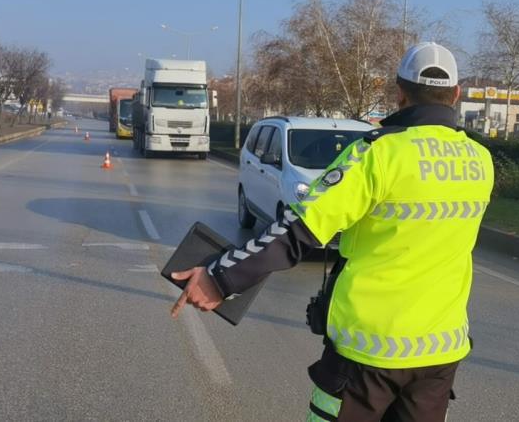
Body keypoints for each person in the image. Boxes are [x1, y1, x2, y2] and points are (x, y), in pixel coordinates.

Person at [171, 42, 495, 422]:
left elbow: (299, 230)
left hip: (366, 353)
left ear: (399, 92)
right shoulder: (480, 160)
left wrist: (220, 277)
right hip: (440, 353)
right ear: (455, 95)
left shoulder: (377, 154)